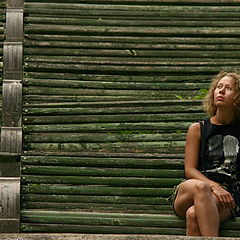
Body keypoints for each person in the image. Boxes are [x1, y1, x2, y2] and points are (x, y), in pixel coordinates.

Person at [173, 71, 240, 236]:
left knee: (193, 215)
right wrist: (214, 186)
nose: (221, 91)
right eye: (219, 87)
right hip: (192, 189)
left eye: (229, 88)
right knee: (202, 188)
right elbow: (189, 170)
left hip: (227, 197)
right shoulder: (198, 129)